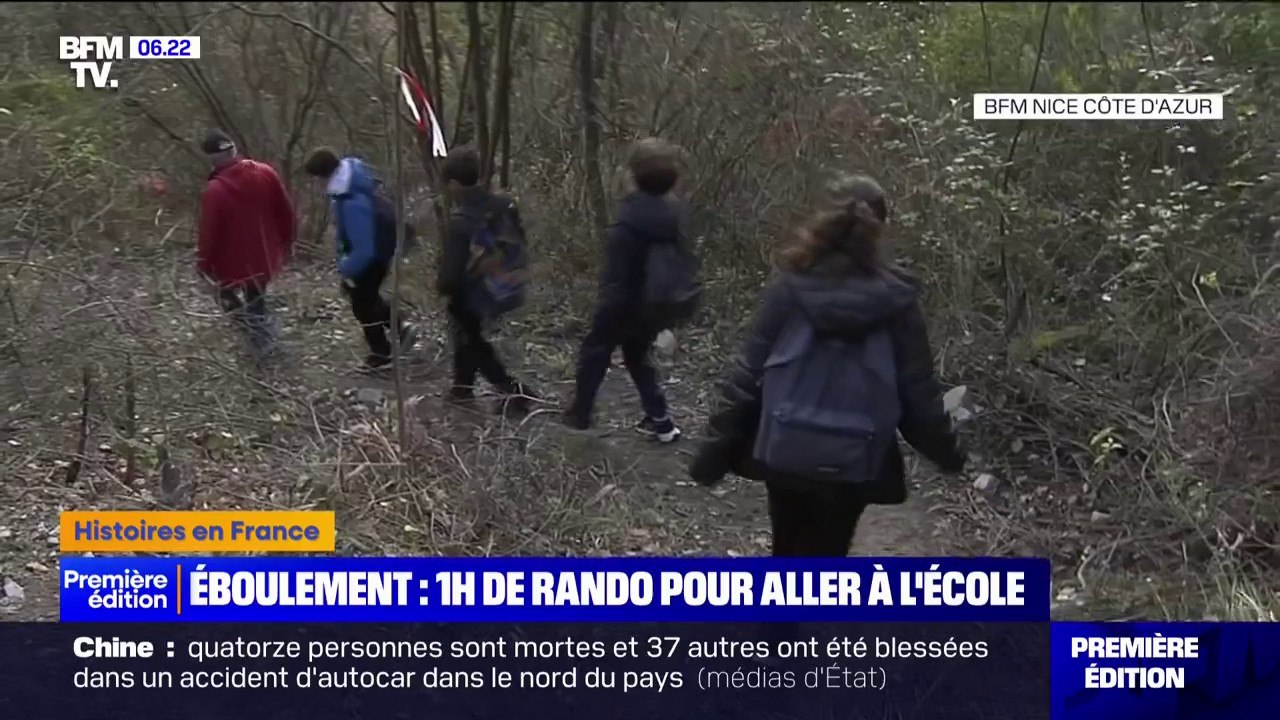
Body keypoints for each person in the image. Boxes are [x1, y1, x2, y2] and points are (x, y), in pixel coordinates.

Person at [688, 174, 966, 557]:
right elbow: (917, 395)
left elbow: (747, 377)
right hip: (856, 455)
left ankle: (780, 613)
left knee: (786, 544)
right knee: (830, 548)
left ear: (821, 221)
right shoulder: (897, 301)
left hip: (787, 446)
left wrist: (713, 453)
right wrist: (948, 453)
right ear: (880, 227)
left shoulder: (790, 289)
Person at [561, 138, 687, 443]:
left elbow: (617, 272)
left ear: (634, 175)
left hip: (622, 303)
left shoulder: (628, 220)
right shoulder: (675, 215)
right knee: (637, 358)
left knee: (595, 353)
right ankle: (662, 421)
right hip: (655, 305)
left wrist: (608, 303)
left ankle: (580, 415)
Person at [437, 147, 538, 413]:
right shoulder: (504, 204)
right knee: (465, 334)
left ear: (455, 184)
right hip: (507, 284)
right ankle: (462, 388)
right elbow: (519, 241)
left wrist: (444, 288)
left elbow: (451, 272)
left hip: (474, 293)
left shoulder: (461, 221)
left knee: (471, 339)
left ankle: (513, 391)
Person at [302, 148, 416, 371]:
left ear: (324, 176)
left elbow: (363, 249)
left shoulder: (352, 202)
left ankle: (381, 354)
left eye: (316, 180)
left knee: (362, 305)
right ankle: (401, 328)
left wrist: (347, 268)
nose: (316, 185)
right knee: (368, 298)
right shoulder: (351, 186)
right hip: (377, 253)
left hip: (370, 258)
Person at [196, 129, 295, 361]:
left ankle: (261, 347)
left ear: (211, 158)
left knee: (230, 299)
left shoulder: (215, 191)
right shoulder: (265, 173)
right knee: (256, 301)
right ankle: (262, 343)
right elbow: (286, 213)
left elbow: (209, 233)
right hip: (264, 257)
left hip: (230, 264)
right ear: (234, 149)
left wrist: (203, 264)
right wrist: (287, 244)